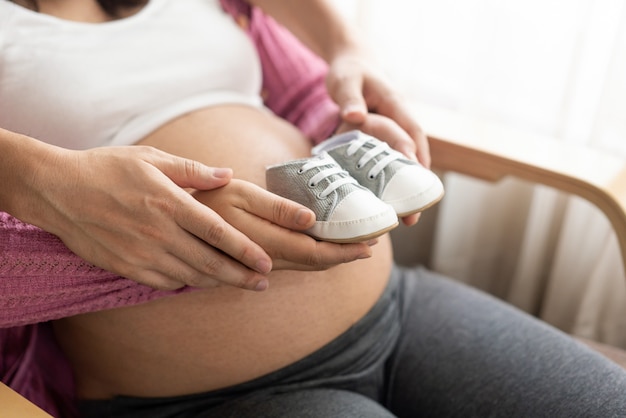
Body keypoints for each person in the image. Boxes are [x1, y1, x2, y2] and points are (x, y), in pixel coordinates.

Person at [1, 1, 626, 417]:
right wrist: (156, 236)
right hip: (209, 398)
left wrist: (354, 95)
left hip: (395, 311)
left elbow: (307, 93)